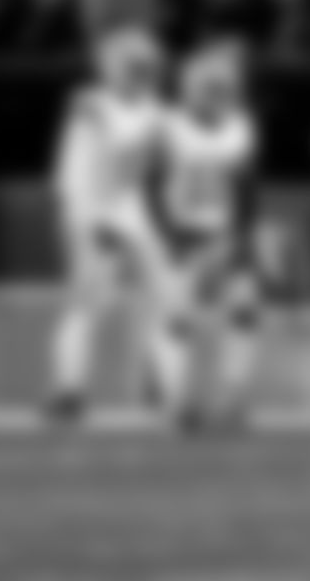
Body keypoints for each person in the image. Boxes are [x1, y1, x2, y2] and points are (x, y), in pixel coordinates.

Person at [47, 26, 176, 425]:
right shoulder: (90, 103)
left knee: (165, 300)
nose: (133, 74)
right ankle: (69, 391)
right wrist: (91, 223)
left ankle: (171, 392)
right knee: (85, 300)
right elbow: (87, 171)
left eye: (141, 67)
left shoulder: (156, 113)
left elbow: (148, 171)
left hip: (129, 211)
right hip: (90, 210)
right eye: (123, 65)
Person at [152, 42, 260, 430]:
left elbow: (246, 188)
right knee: (176, 317)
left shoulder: (240, 126)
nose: (215, 97)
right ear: (189, 89)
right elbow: (150, 185)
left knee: (243, 310)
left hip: (225, 230)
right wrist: (168, 234)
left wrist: (239, 237)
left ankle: (234, 397)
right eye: (207, 88)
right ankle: (178, 400)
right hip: (182, 231)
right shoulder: (168, 126)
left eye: (221, 89)